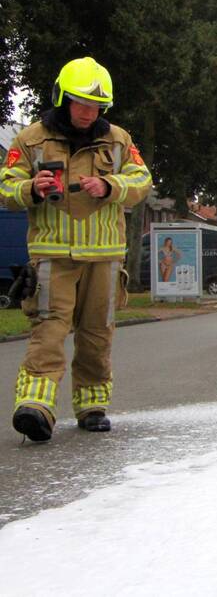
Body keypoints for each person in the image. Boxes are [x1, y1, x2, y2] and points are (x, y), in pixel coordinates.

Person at [0, 57, 152, 442]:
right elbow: (5, 186)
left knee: (97, 335)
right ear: (62, 99)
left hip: (104, 258)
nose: (89, 113)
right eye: (82, 103)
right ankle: (36, 409)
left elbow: (142, 179)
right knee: (48, 332)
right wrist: (31, 188)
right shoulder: (31, 140)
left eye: (97, 106)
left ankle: (91, 407)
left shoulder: (118, 139)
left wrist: (111, 185)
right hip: (54, 259)